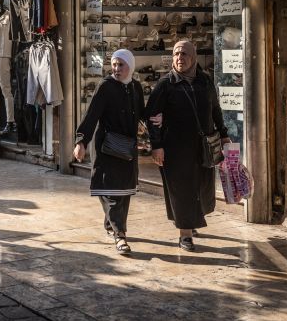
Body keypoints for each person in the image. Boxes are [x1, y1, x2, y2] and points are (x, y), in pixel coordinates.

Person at [146, 40, 230, 252]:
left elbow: (215, 110)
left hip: (203, 146)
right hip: (175, 149)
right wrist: (157, 145)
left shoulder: (205, 81)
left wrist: (224, 134)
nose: (179, 58)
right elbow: (150, 116)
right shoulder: (166, 84)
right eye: (176, 54)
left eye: (184, 54)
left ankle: (191, 223)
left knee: (201, 188)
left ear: (193, 57)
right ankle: (185, 234)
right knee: (181, 190)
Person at [73, 50, 144, 255]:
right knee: (111, 191)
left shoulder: (135, 87)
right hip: (107, 148)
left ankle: (111, 225)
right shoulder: (105, 86)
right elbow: (92, 114)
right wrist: (81, 141)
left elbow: (142, 112)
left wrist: (154, 120)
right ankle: (120, 235)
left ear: (130, 66)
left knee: (124, 192)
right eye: (114, 64)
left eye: (121, 65)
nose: (117, 69)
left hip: (127, 148)